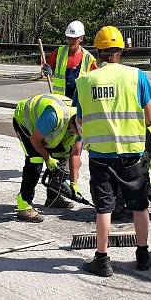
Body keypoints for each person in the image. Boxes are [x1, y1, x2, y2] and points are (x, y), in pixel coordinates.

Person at [74, 25, 151, 277]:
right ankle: (143, 255)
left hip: (100, 155)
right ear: (121, 50)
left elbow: (79, 122)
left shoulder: (85, 81)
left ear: (97, 52)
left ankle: (102, 260)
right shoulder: (137, 76)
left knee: (104, 208)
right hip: (132, 154)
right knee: (139, 206)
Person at [41, 21, 96, 206]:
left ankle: (71, 186)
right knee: (57, 151)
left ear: (81, 38)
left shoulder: (89, 59)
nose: (71, 41)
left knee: (76, 151)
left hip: (78, 111)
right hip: (59, 110)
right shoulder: (59, 53)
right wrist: (45, 70)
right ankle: (54, 194)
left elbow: (95, 83)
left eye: (75, 38)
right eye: (69, 38)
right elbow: (47, 72)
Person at [13, 93, 82, 222]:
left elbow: (75, 155)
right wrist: (48, 158)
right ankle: (24, 204)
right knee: (35, 160)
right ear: (73, 123)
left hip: (45, 127)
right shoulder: (54, 116)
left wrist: (74, 183)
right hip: (25, 122)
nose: (76, 134)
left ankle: (53, 197)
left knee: (62, 161)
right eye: (75, 131)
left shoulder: (82, 120)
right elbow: (35, 140)